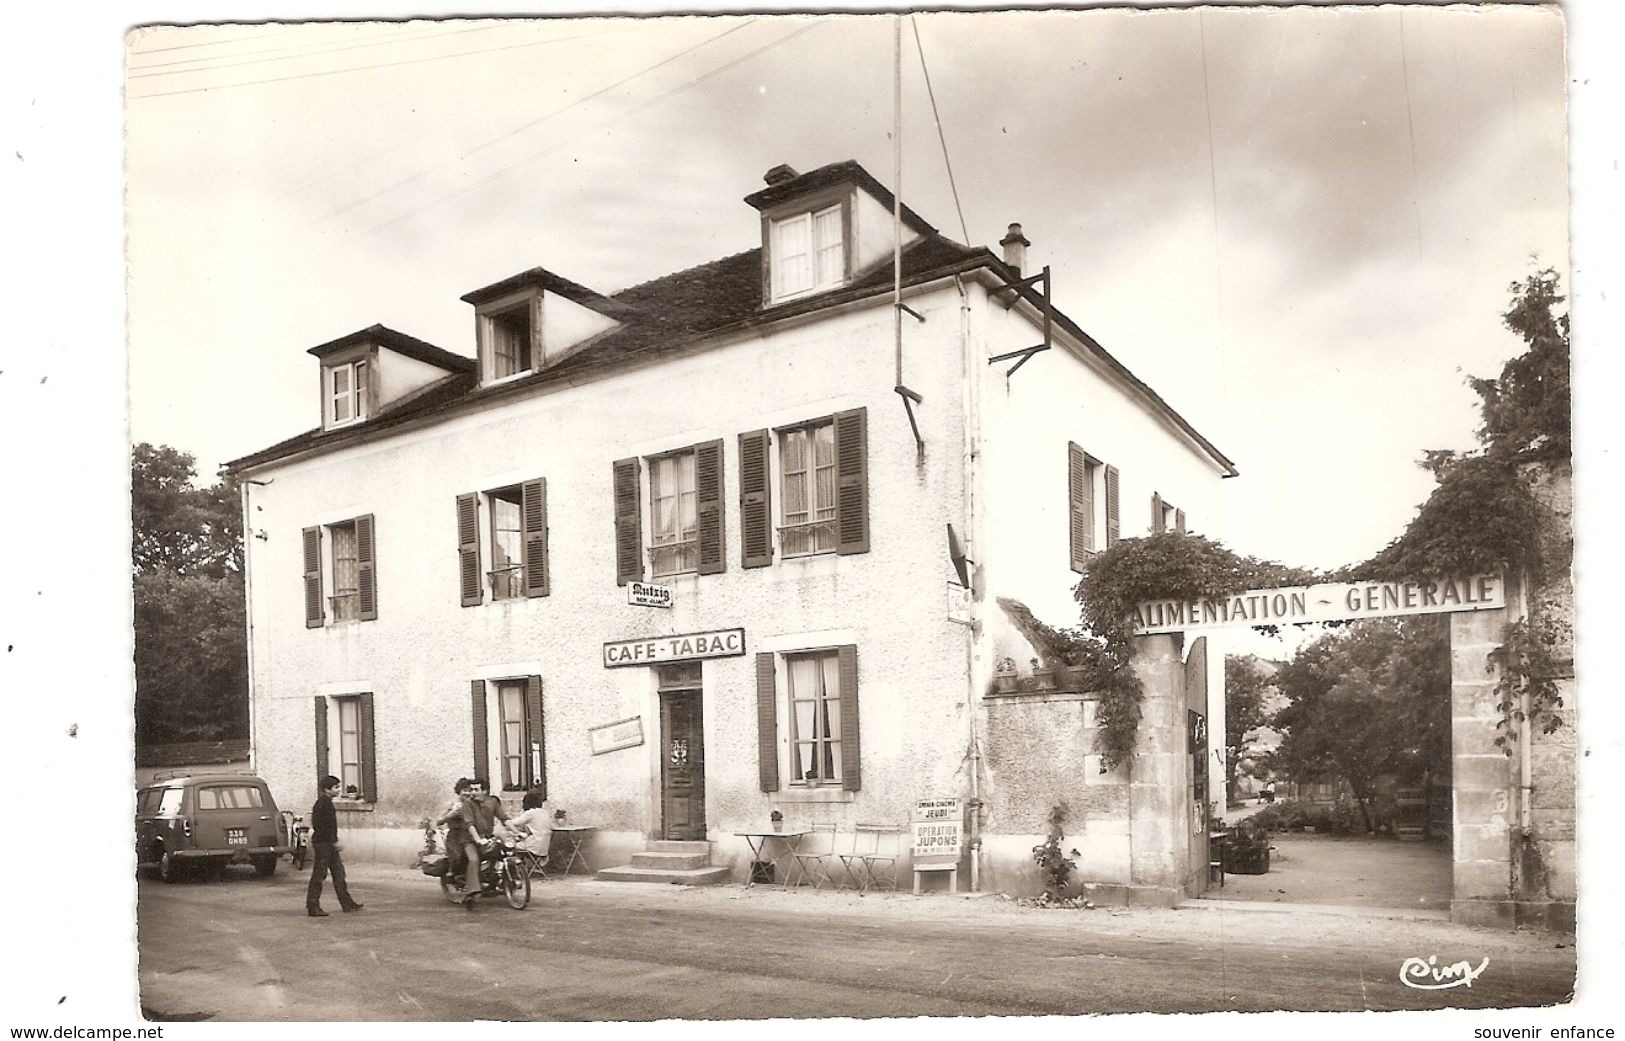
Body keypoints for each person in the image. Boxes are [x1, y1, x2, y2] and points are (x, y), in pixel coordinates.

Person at [306, 775, 362, 916]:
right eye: (336, 787)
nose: (338, 790)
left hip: (328, 843)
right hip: (324, 844)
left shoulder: (327, 802)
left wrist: (333, 841)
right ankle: (313, 906)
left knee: (338, 873)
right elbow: (323, 826)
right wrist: (333, 841)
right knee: (320, 875)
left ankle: (347, 903)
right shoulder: (323, 804)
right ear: (327, 789)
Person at [448, 777, 508, 907]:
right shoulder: (468, 804)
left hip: (487, 838)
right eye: (471, 789)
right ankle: (471, 893)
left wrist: (517, 832)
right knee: (474, 860)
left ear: (485, 791)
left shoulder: (492, 803)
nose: (472, 793)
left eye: (476, 789)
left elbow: (505, 818)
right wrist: (478, 840)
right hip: (469, 841)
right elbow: (469, 825)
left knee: (502, 851)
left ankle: (501, 880)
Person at [504, 788, 552, 870]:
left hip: (534, 845)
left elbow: (514, 822)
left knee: (509, 846)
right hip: (544, 846)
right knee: (520, 841)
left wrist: (504, 822)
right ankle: (524, 869)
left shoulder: (530, 813)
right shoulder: (544, 812)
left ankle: (516, 870)